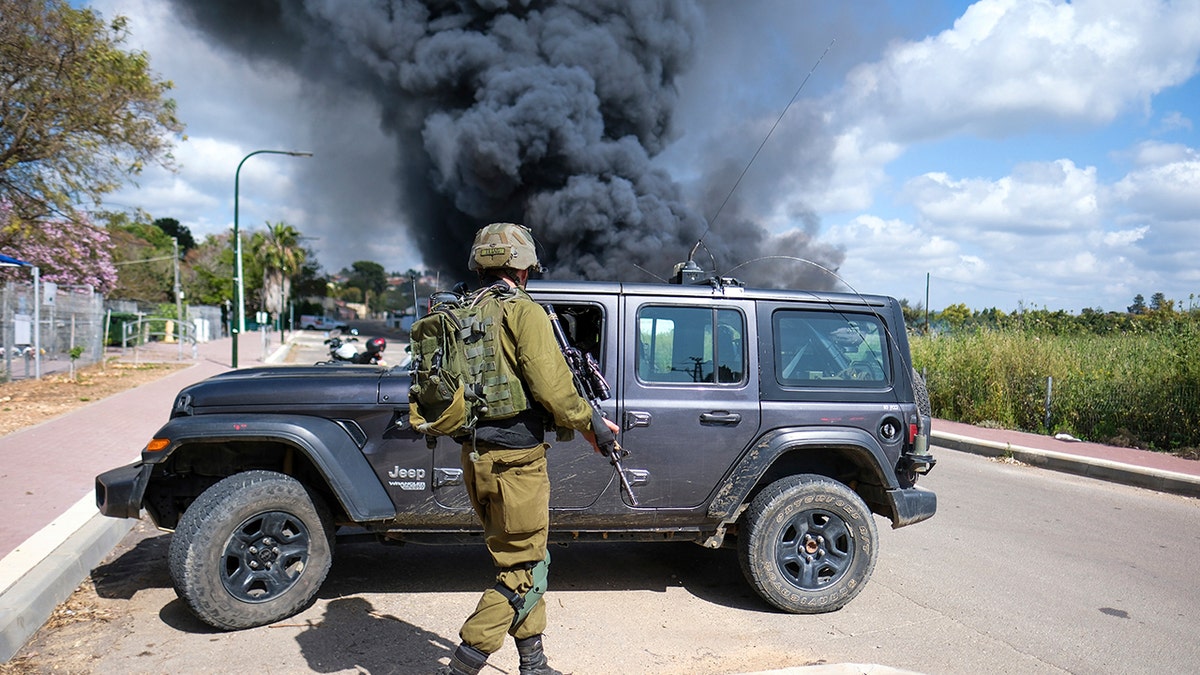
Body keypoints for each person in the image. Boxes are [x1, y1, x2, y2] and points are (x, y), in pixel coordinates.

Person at [439, 222, 620, 675]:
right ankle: (463, 664)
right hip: (516, 463)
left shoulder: (461, 310)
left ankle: (534, 664)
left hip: (475, 457)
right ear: (523, 267)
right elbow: (555, 391)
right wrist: (592, 424)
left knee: (529, 557)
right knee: (521, 573)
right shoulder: (523, 311)